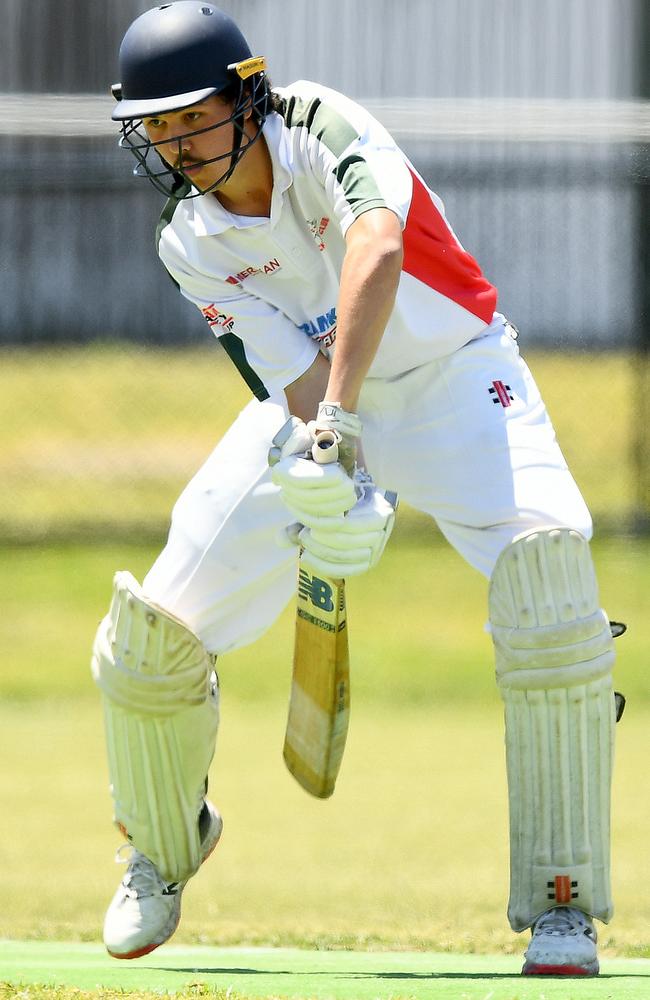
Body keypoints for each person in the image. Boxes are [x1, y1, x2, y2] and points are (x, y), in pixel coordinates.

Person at [92, 0, 621, 976]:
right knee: (146, 640)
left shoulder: (317, 126)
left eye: (192, 116)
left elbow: (374, 248)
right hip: (325, 409)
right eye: (156, 128)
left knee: (552, 601)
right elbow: (287, 380)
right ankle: (162, 847)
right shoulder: (188, 238)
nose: (176, 143)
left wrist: (337, 419)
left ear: (246, 97)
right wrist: (332, 471)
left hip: (459, 377)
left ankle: (561, 903)